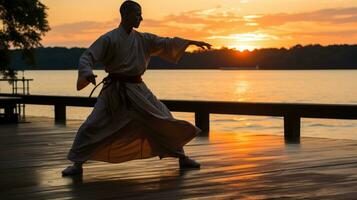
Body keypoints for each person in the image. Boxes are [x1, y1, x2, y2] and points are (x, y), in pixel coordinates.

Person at [62, 0, 211, 176]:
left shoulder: (143, 39)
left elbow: (164, 42)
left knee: (163, 117)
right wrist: (87, 73)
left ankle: (182, 157)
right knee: (93, 125)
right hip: (114, 91)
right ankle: (77, 164)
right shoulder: (109, 38)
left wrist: (189, 42)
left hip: (138, 89)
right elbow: (87, 57)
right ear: (125, 15)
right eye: (137, 13)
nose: (141, 17)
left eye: (141, 14)